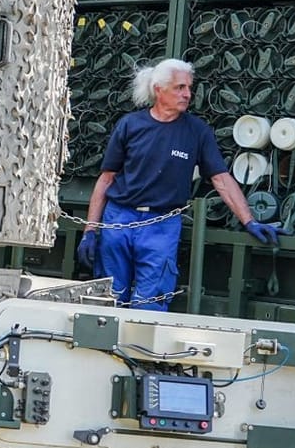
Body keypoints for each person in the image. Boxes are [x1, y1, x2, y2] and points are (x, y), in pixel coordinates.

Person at [77, 58, 277, 308]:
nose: (187, 94)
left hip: (161, 225)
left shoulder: (196, 131)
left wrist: (249, 220)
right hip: (119, 218)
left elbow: (221, 179)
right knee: (110, 298)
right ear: (159, 89)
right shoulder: (130, 125)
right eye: (180, 88)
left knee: (151, 302)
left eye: (189, 88)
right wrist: (90, 231)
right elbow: (106, 179)